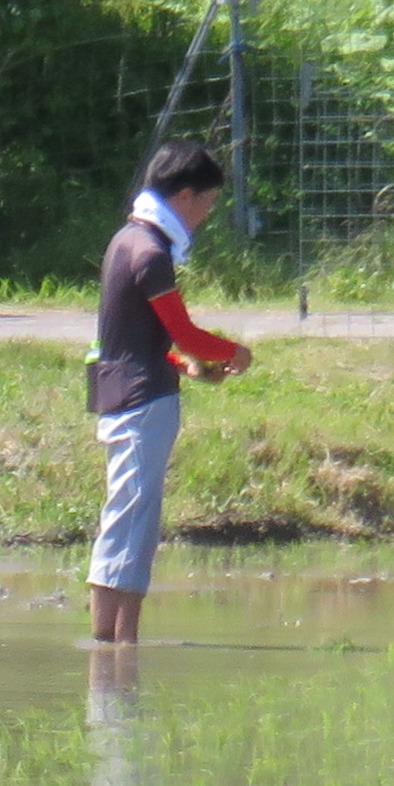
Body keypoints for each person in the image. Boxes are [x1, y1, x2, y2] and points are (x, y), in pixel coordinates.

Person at [88, 141, 248, 650]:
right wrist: (233, 352)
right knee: (137, 522)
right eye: (206, 203)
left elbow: (137, 340)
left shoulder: (124, 241)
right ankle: (125, 646)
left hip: (120, 393)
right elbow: (185, 333)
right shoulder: (152, 254)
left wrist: (189, 367)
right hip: (144, 402)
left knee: (121, 518)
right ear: (183, 195)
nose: (206, 214)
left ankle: (103, 644)